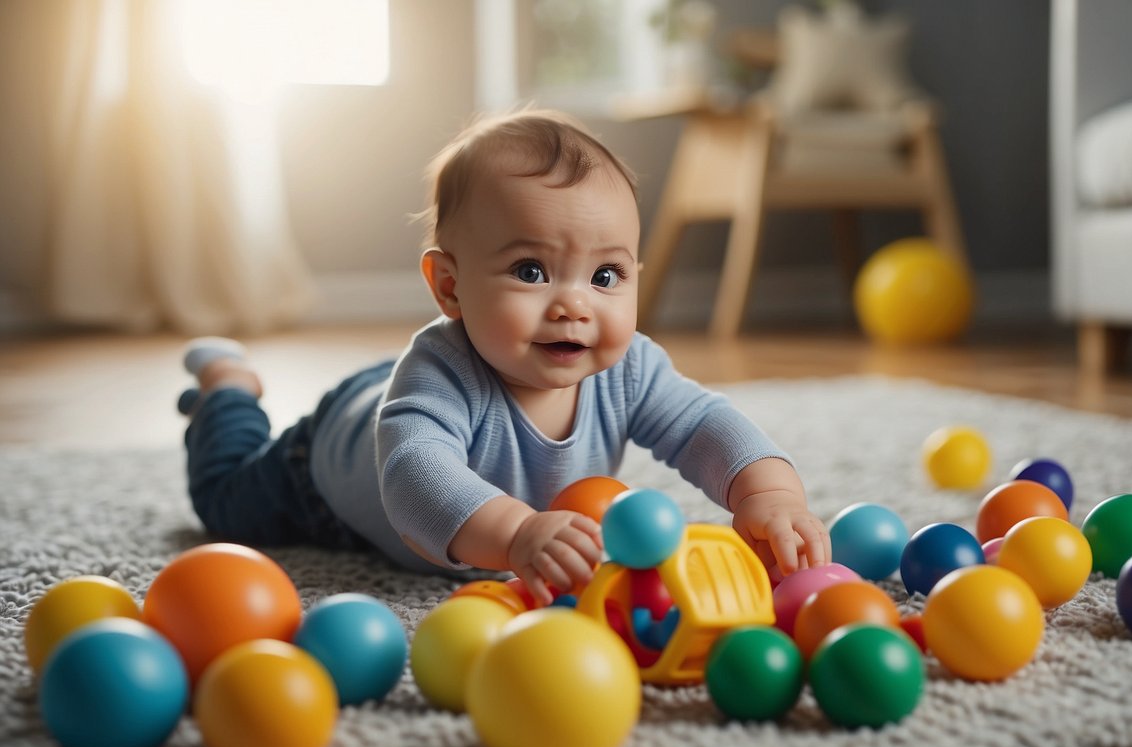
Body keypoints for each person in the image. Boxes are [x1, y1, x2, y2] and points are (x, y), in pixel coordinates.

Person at [178, 109, 830, 604]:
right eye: (531, 270)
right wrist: (518, 534)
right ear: (449, 287)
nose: (574, 306)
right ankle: (226, 387)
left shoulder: (628, 366)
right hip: (327, 468)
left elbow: (701, 425)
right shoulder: (439, 375)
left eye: (605, 277)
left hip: (405, 399)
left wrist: (770, 495)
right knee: (222, 501)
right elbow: (413, 474)